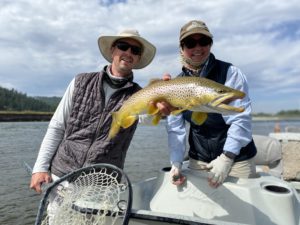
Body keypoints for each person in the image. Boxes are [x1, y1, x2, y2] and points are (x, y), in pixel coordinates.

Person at [30, 29, 171, 193]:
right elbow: (57, 126)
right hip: (61, 177)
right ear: (112, 50)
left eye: (135, 50)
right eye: (123, 46)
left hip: (103, 186)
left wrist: (163, 101)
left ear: (138, 58)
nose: (128, 52)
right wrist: (40, 167)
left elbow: (146, 118)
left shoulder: (141, 95)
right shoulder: (80, 81)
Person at [165, 20, 257, 188]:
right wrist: (176, 163)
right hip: (198, 160)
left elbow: (241, 118)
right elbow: (175, 128)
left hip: (237, 159)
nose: (197, 48)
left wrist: (227, 157)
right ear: (181, 48)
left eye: (204, 41)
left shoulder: (231, 73)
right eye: (190, 43)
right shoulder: (176, 84)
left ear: (211, 44)